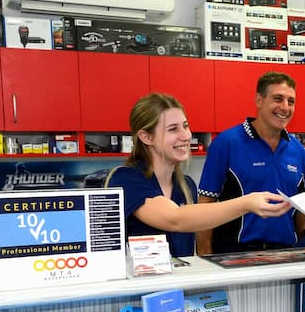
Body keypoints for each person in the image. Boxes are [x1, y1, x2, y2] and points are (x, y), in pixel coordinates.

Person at [106, 93, 290, 257]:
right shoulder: (126, 179)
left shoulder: (186, 186)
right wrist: (246, 203)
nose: (185, 135)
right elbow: (174, 219)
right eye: (173, 129)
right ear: (147, 137)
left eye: (185, 126)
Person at [196, 71, 305, 253]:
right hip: (234, 254)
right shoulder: (226, 143)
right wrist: (204, 257)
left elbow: (302, 212)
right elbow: (205, 205)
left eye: (291, 101)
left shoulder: (299, 151)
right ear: (259, 100)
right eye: (278, 99)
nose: (285, 107)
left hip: (285, 254)